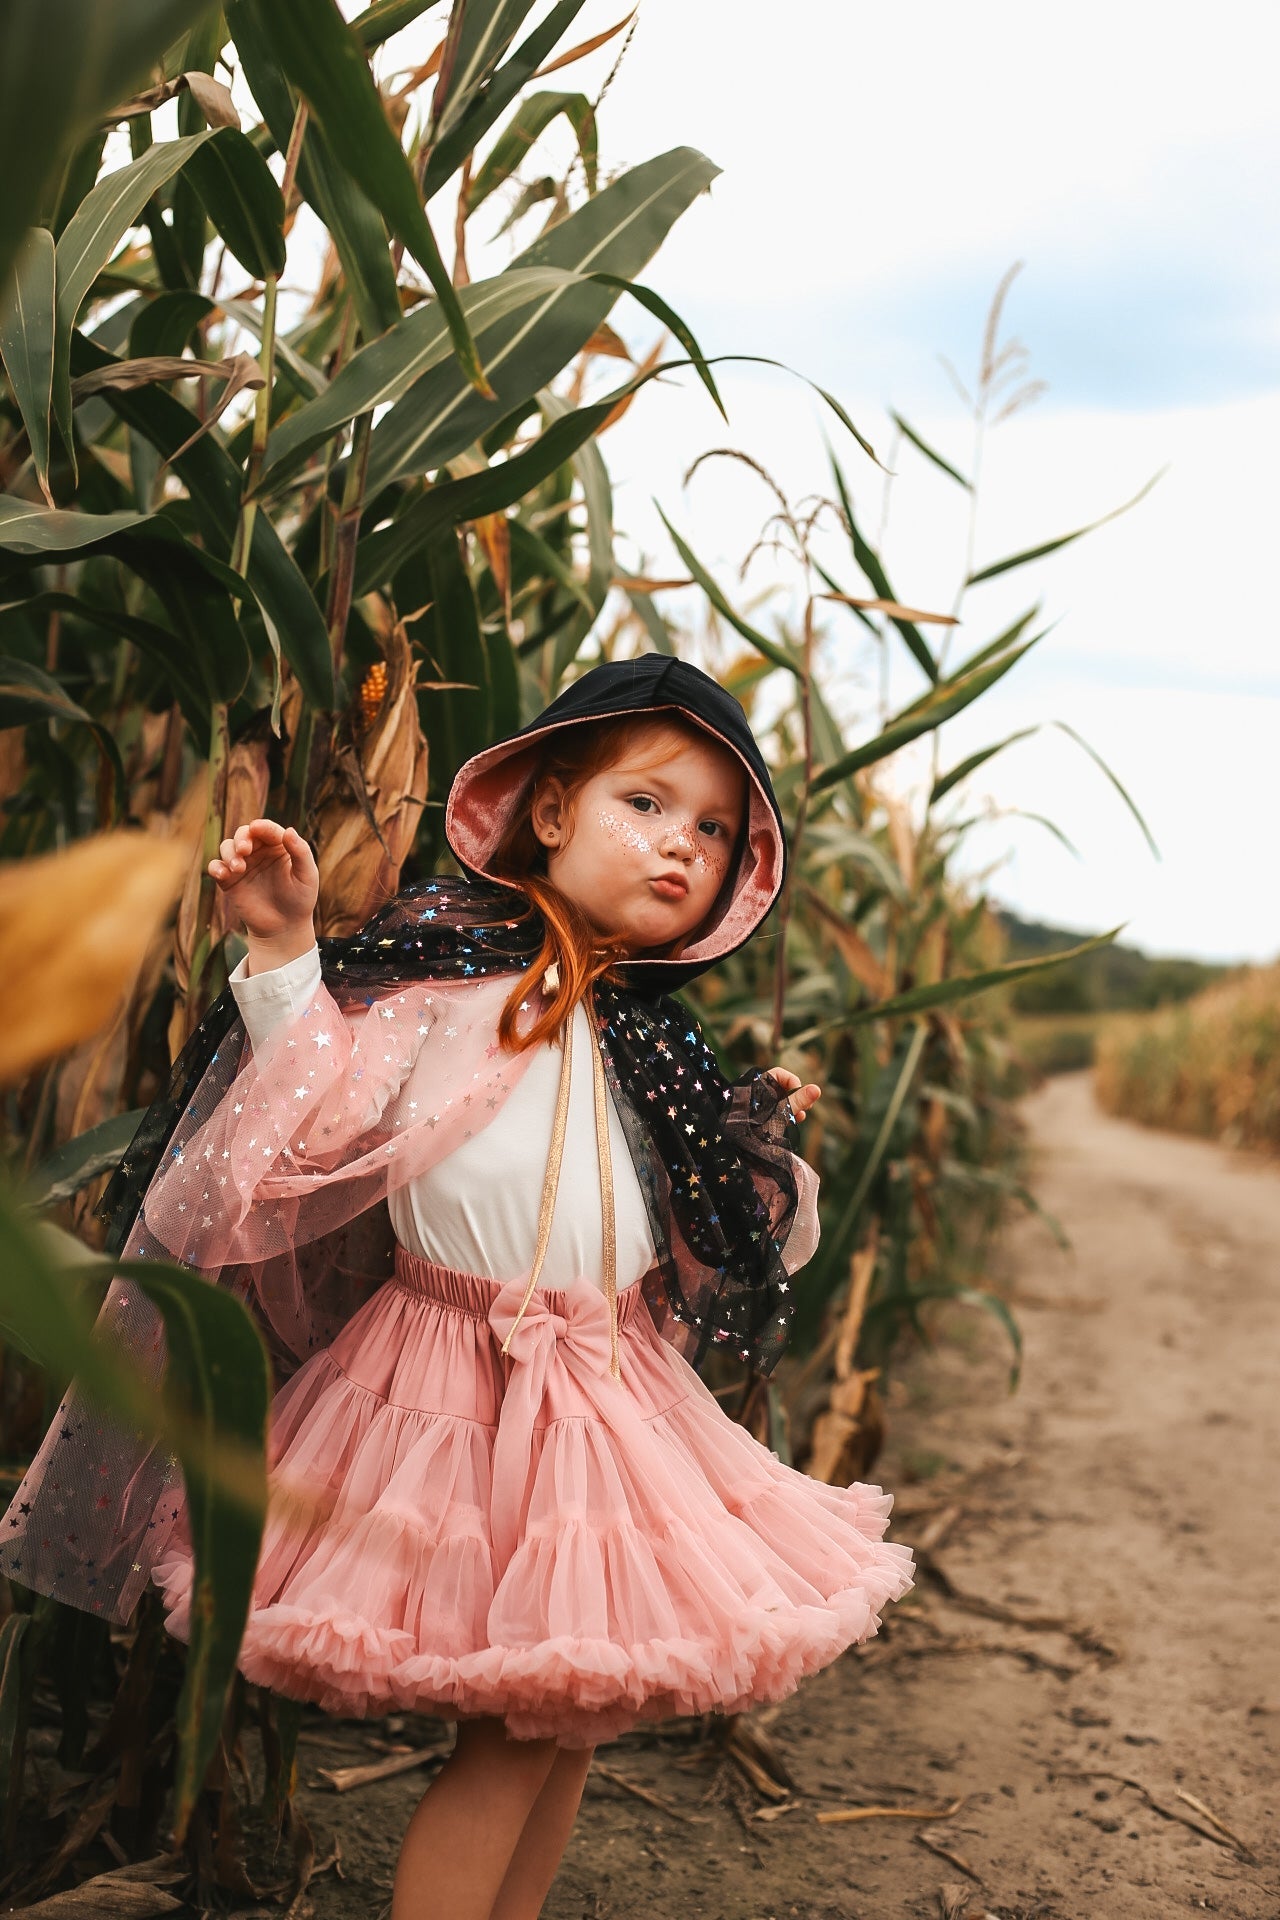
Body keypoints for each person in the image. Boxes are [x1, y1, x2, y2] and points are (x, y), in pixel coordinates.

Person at [0, 654, 914, 1920]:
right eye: (644, 806)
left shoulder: (650, 1038)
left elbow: (692, 1246)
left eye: (712, 829)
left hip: (604, 1396)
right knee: (510, 1738)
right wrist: (281, 952)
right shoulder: (446, 973)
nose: (679, 847)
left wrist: (745, 1149)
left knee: (565, 1725)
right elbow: (315, 1116)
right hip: (448, 1384)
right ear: (548, 813)